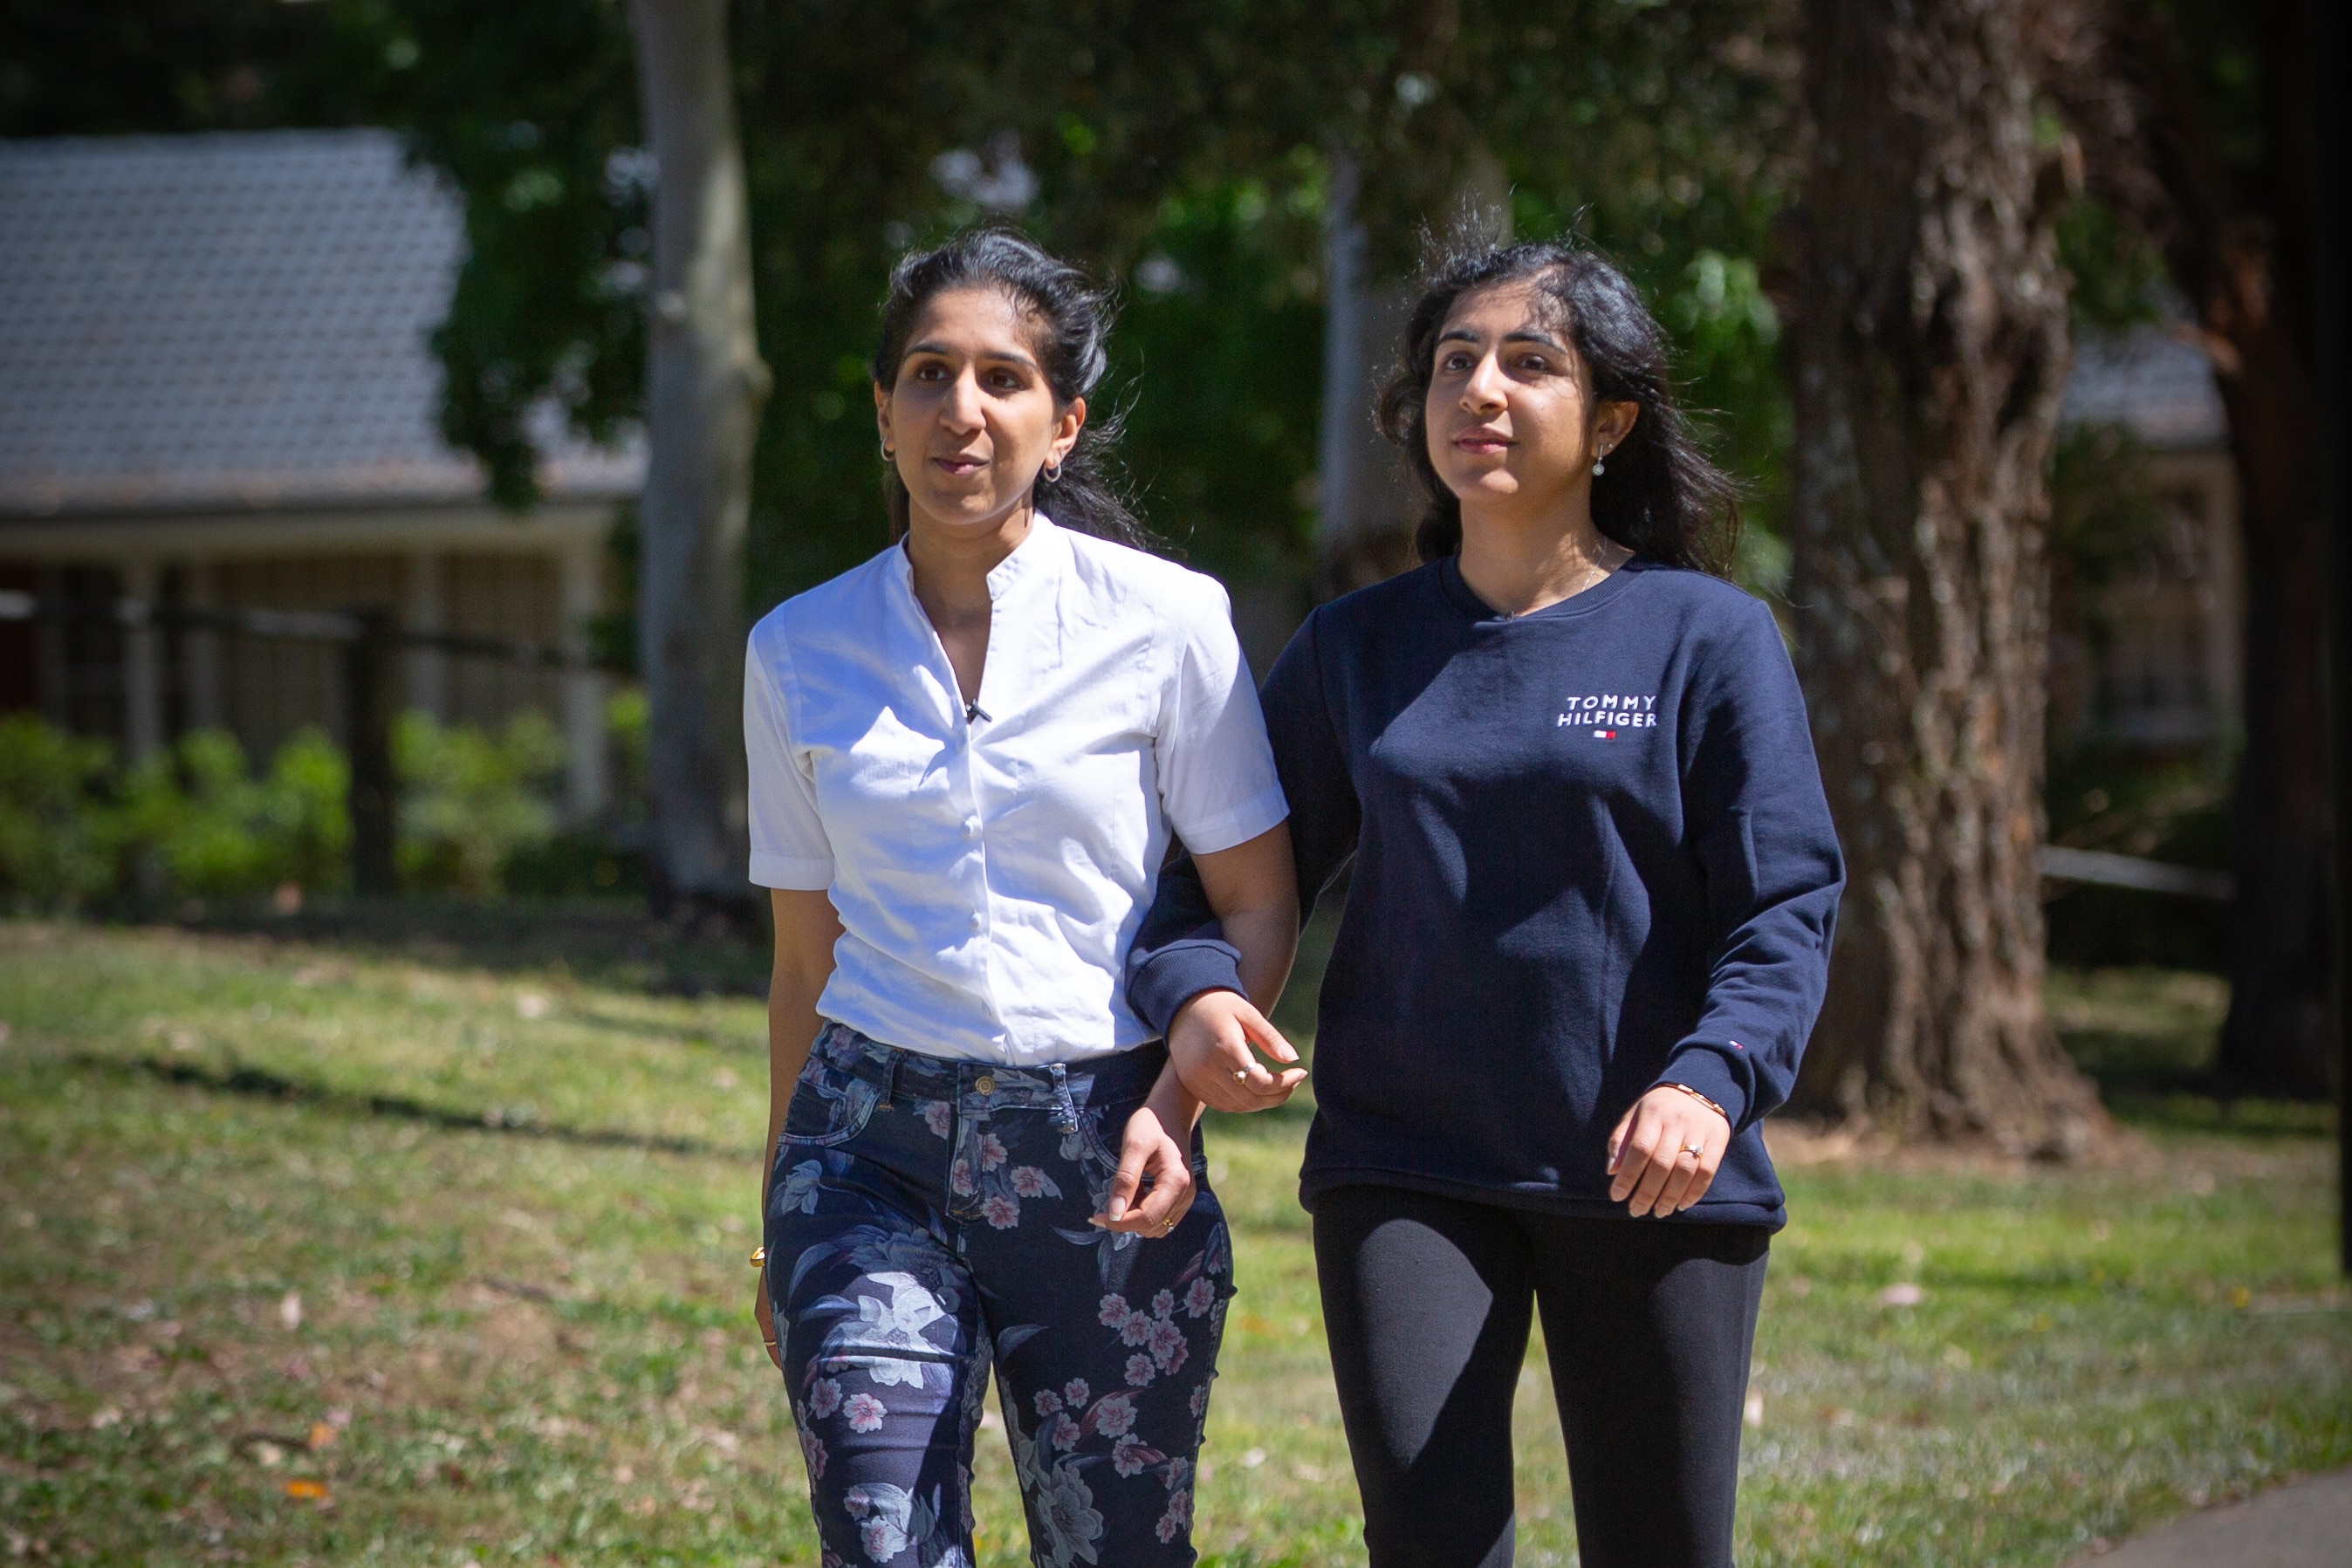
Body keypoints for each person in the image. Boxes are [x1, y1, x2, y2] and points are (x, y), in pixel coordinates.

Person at [1129, 238, 1844, 1568]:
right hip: (1408, 1162)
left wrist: (1713, 1077)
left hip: (1653, 1172)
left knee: (1665, 1547)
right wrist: (1200, 994)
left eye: (1530, 361)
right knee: (1432, 1546)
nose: (1482, 390)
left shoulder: (1706, 637)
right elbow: (1215, 879)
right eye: (1455, 361)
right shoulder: (1358, 647)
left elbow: (1785, 904)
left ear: (1612, 417)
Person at [746, 229, 1302, 1568]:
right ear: (883, 413)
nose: (963, 408)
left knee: (1115, 1550)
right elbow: (802, 965)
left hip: (1107, 1153)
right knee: (883, 1540)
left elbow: (1259, 903)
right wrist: (776, 1200)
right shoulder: (797, 648)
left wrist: (1178, 1094)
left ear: (1065, 424)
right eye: (929, 374)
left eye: (1004, 378)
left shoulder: (1170, 624)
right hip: (868, 1153)